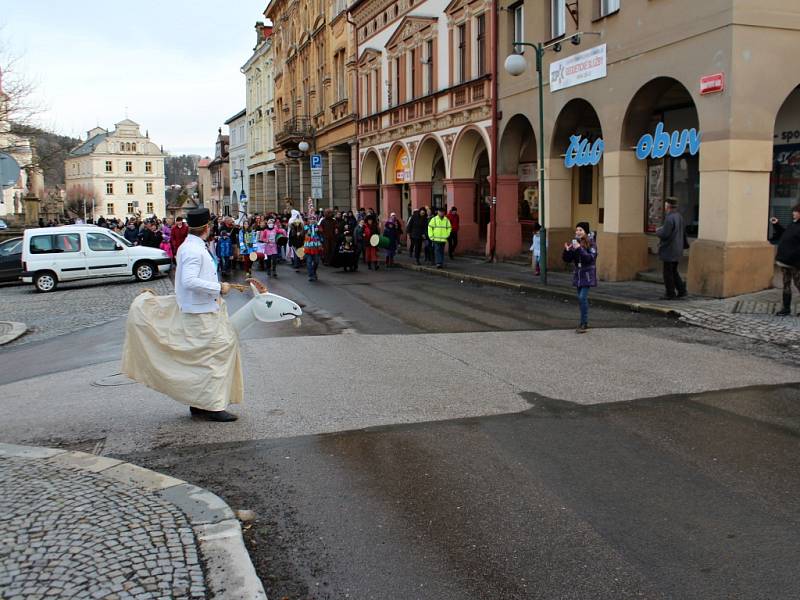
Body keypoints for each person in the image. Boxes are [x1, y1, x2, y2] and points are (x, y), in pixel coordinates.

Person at [121, 208, 241, 422]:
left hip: (202, 308)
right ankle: (213, 406)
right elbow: (189, 281)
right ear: (206, 228)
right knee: (214, 357)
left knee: (201, 360)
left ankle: (199, 402)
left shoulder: (192, 246)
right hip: (200, 311)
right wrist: (219, 287)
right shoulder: (193, 250)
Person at [562, 222, 597, 333]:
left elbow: (590, 259)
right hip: (578, 274)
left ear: (585, 232)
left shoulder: (592, 244)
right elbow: (567, 260)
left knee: (582, 298)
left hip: (587, 274)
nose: (578, 232)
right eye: (577, 230)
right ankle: (583, 322)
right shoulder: (575, 243)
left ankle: (584, 323)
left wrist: (579, 249)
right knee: (581, 299)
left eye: (580, 230)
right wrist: (567, 251)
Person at [655, 197, 688, 300]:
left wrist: (658, 231)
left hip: (669, 249)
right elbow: (682, 232)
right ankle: (682, 291)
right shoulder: (679, 216)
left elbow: (665, 234)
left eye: (665, 205)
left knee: (668, 273)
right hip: (677, 248)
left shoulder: (669, 218)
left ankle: (670, 293)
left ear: (668, 206)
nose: (664, 207)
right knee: (674, 271)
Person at [770, 205, 800, 316]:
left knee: (798, 284)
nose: (793, 213)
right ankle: (786, 309)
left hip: (795, 263)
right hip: (785, 261)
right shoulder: (793, 224)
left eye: (795, 212)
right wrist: (776, 224)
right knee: (786, 284)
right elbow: (784, 234)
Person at [304, 214, 323, 281]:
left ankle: (314, 272)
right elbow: (303, 232)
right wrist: (307, 232)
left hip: (316, 246)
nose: (312, 220)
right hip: (308, 246)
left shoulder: (318, 227)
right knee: (309, 262)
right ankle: (311, 275)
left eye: (313, 219)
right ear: (309, 220)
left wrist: (319, 231)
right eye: (311, 219)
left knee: (316, 261)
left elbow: (322, 234)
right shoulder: (306, 227)